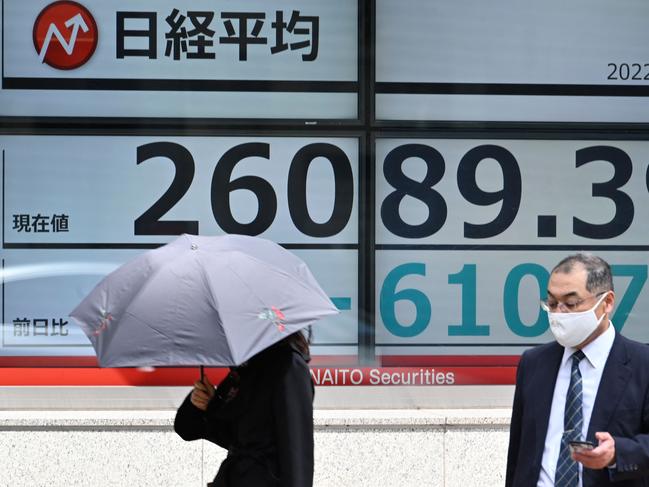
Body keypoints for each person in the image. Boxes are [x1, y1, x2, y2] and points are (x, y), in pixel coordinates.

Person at [506, 253, 649, 487]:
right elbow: (518, 453)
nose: (559, 313)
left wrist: (617, 454)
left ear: (607, 303)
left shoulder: (642, 364)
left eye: (571, 303)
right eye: (552, 303)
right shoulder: (533, 363)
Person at [174, 330, 314, 487]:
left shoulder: (289, 366)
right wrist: (203, 404)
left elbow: (297, 453)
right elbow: (190, 429)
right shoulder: (245, 370)